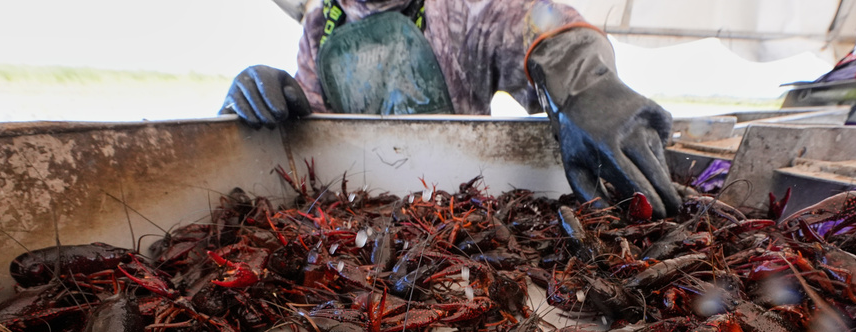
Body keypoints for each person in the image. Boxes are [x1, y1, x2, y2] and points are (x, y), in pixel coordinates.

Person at [220, 0, 680, 219]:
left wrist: (581, 82)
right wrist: (270, 103)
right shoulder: (320, 24)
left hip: (465, 206)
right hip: (358, 210)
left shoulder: (466, 7)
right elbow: (317, 135)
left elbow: (542, 19)